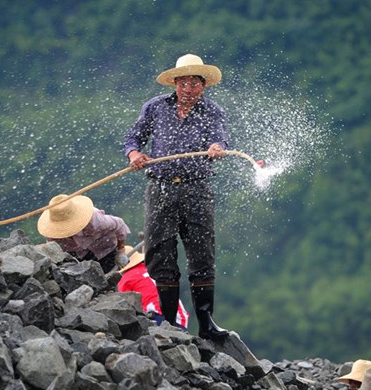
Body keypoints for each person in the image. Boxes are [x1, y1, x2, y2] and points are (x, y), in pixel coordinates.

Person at [123, 53, 230, 340]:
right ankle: (169, 323)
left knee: (202, 253)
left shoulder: (213, 112)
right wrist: (135, 154)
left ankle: (206, 323)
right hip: (160, 187)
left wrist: (217, 147)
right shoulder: (156, 108)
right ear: (175, 83)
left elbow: (221, 138)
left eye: (194, 83)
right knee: (160, 252)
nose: (188, 89)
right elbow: (133, 138)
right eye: (183, 83)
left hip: (197, 188)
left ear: (204, 85)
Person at [37, 194, 129, 273]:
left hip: (105, 249)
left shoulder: (95, 220)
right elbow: (53, 249)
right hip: (77, 258)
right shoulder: (53, 234)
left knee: (109, 279)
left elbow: (120, 225)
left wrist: (121, 251)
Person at [117, 245, 190, 328]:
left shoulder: (126, 279)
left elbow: (124, 307)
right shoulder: (151, 270)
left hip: (156, 315)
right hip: (180, 317)